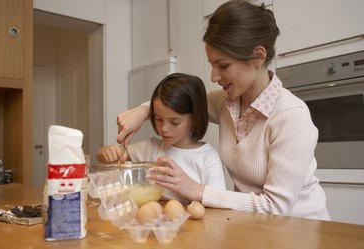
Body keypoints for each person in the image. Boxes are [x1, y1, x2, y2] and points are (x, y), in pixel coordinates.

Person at [115, 0, 330, 220]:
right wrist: (144, 111)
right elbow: (183, 105)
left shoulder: (290, 116)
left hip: (301, 229)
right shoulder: (228, 102)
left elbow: (275, 206)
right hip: (252, 225)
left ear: (258, 56)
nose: (214, 77)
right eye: (212, 65)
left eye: (223, 66)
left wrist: (196, 189)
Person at [96, 73, 226, 202]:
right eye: (158, 119)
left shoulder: (207, 158)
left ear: (194, 118)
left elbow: (219, 202)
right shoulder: (151, 147)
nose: (164, 128)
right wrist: (107, 153)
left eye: (174, 122)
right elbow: (104, 156)